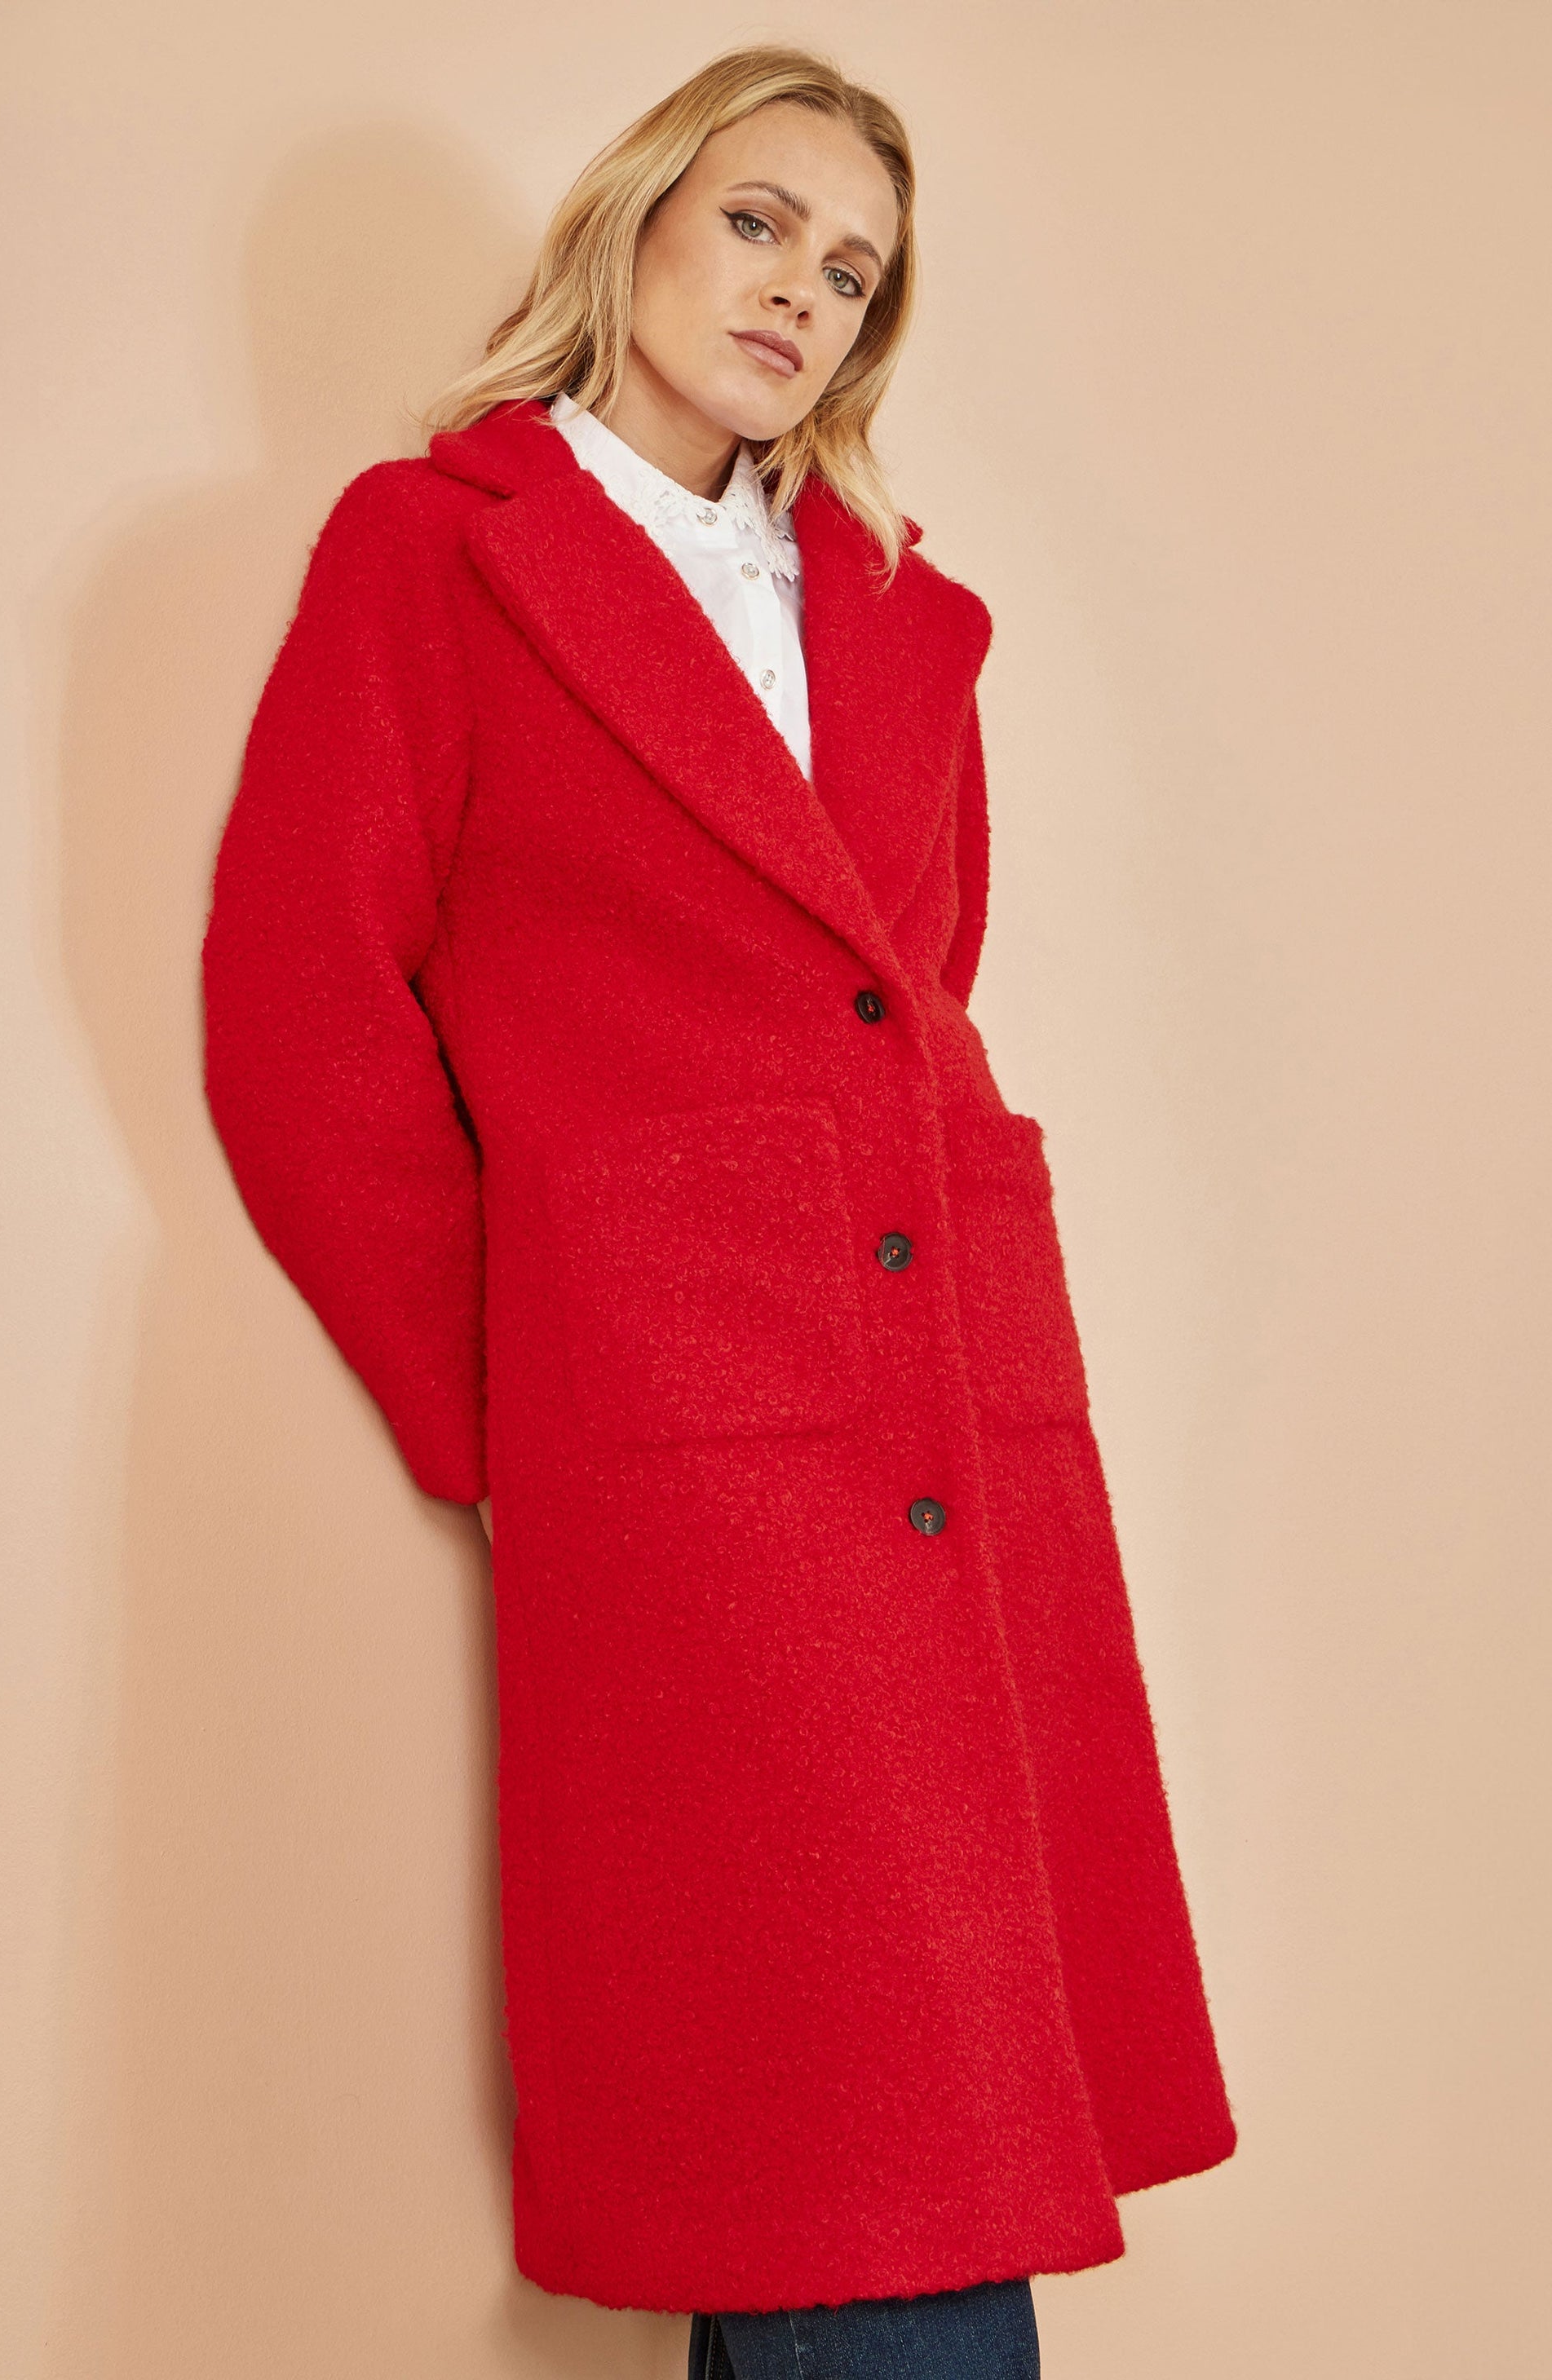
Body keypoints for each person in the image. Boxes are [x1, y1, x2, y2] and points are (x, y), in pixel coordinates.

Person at [200, 43, 1236, 2378]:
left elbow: (908, 987)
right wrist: (512, 1393)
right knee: (855, 2142)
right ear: (639, 218)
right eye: (761, 221)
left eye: (852, 271)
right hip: (684, 1436)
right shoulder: (440, 550)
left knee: (868, 2149)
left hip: (950, 1406)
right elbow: (299, 1011)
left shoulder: (896, 607)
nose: (801, 290)